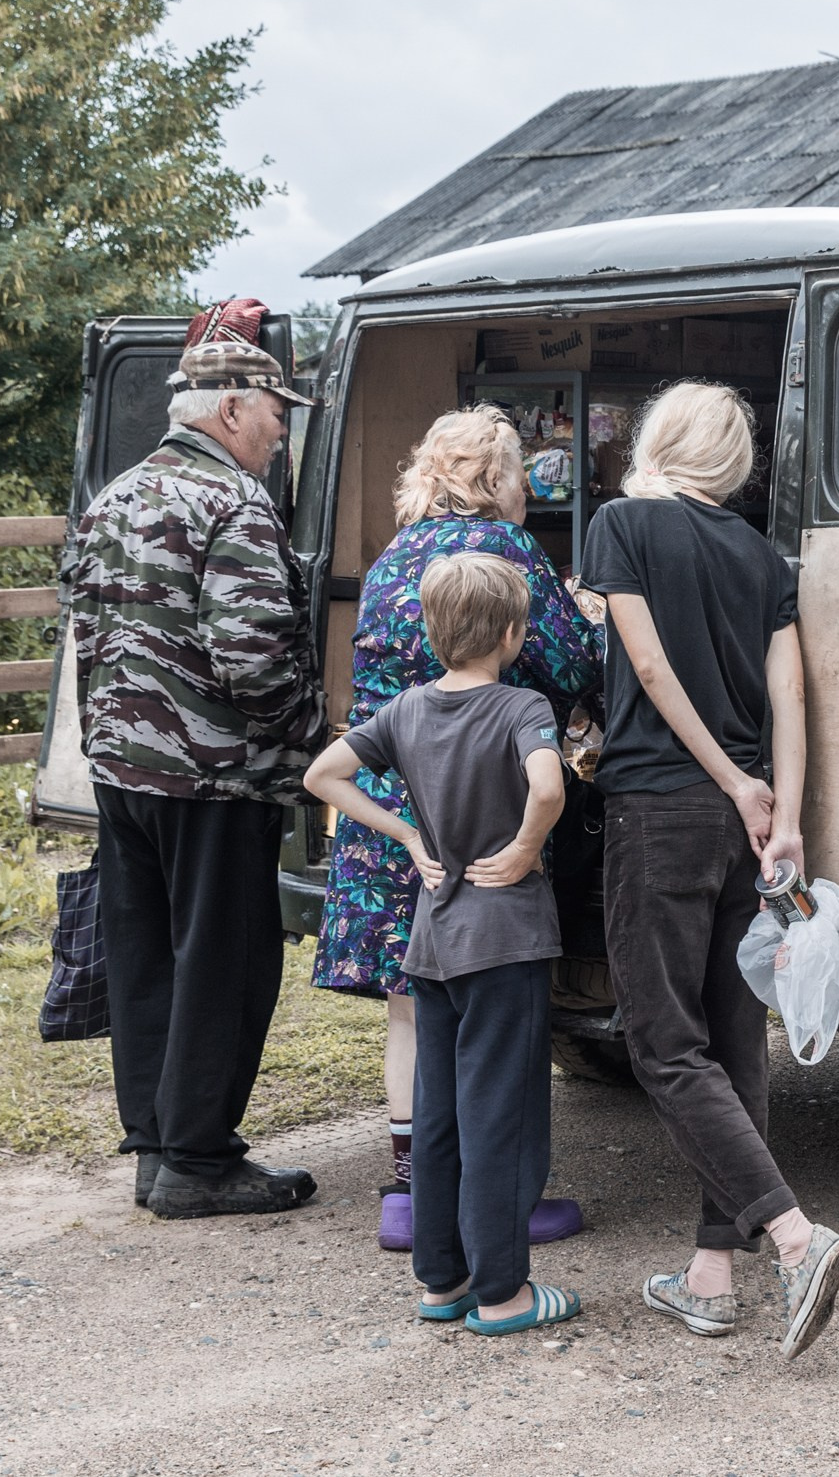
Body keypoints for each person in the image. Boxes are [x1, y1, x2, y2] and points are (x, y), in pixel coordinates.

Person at [576, 381, 839, 1361]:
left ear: (658, 439)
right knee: (734, 1039)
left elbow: (648, 672)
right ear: (736, 461)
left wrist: (737, 782)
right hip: (747, 825)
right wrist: (781, 815)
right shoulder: (760, 553)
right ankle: (709, 1271)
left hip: (663, 806)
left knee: (660, 1038)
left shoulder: (622, 524)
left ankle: (793, 1235)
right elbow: (790, 689)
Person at [313, 405, 601, 1253]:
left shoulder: (391, 557)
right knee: (492, 1004)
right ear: (492, 477)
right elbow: (570, 663)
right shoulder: (504, 551)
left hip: (390, 803)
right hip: (474, 805)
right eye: (519, 471)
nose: (525, 487)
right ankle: (502, 1196)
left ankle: (410, 1195)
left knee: (413, 1002)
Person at [63, 299, 325, 1219]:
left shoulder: (117, 494)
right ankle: (201, 1160)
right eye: (275, 413)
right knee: (224, 962)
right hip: (213, 776)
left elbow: (85, 629)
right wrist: (313, 733)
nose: (279, 431)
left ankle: (156, 1146)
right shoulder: (234, 502)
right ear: (231, 409)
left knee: (147, 959)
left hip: (122, 773)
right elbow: (252, 655)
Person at [304, 553, 581, 1336]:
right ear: (513, 632)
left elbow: (324, 774)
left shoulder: (405, 710)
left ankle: (440, 1280)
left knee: (440, 1111)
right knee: (502, 1113)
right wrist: (528, 846)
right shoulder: (521, 703)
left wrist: (402, 831)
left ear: (430, 629)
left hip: (433, 942)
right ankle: (502, 1293)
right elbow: (551, 784)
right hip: (505, 940)